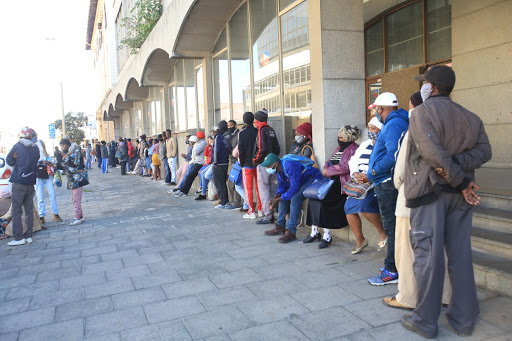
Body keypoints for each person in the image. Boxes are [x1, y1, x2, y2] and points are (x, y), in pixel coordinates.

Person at [400, 66, 492, 338]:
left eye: (424, 82)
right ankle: (464, 320)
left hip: (431, 193)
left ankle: (425, 322)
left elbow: (433, 154)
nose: (422, 87)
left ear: (432, 86)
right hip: (458, 197)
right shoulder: (471, 117)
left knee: (428, 258)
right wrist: (461, 172)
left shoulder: (421, 113)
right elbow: (484, 151)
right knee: (460, 256)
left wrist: (456, 175)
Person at [383, 92, 452, 311]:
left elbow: (401, 169)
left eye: (410, 107)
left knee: (407, 251)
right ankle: (446, 295)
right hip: (440, 198)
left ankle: (408, 297)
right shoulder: (447, 129)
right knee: (440, 249)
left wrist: (397, 184)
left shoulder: (415, 128)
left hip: (411, 199)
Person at [366, 92, 409, 286]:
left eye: (376, 109)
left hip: (387, 182)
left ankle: (392, 270)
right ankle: (393, 267)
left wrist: (375, 169)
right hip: (387, 181)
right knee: (393, 227)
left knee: (391, 227)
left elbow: (394, 155)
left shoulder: (393, 124)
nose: (377, 112)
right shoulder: (397, 121)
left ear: (381, 109)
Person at [304, 125, 359, 249]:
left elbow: (346, 167)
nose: (339, 138)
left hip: (342, 183)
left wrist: (328, 171)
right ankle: (314, 232)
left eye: (341, 137)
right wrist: (326, 169)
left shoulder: (354, 149)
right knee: (313, 197)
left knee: (324, 199)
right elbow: (329, 161)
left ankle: (327, 236)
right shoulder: (339, 148)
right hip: (330, 180)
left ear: (349, 137)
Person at [341, 118, 387, 254]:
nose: (370, 132)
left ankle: (382, 233)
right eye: (369, 128)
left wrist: (369, 176)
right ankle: (360, 240)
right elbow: (353, 161)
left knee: (365, 205)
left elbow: (385, 163)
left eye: (373, 129)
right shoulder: (365, 144)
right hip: (360, 181)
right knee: (348, 208)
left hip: (375, 180)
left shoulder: (385, 144)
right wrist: (355, 174)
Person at [262, 153, 323, 243]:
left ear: (275, 163)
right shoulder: (278, 170)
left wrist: (279, 199)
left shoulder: (288, 165)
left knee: (295, 198)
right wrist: (276, 196)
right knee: (283, 198)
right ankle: (280, 226)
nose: (267, 168)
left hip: (312, 179)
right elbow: (282, 185)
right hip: (300, 182)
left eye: (268, 166)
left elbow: (295, 188)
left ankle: (291, 231)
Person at [6, 127, 40, 246]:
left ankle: (18, 237)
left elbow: (9, 161)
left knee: (16, 211)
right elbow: (36, 160)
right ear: (32, 136)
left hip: (19, 182)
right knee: (29, 210)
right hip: (30, 182)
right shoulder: (35, 148)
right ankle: (29, 236)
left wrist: (15, 158)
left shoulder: (17, 146)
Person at [253, 109, 280, 224]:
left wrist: (255, 159)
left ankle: (268, 216)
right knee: (271, 188)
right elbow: (277, 148)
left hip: (264, 164)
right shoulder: (271, 130)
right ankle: (272, 212)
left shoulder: (261, 130)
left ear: (258, 120)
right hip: (273, 163)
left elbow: (261, 148)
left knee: (264, 190)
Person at [58, 139, 89, 226]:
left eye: (61, 146)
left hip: (77, 178)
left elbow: (75, 163)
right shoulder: (71, 152)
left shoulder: (75, 151)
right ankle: (80, 216)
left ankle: (78, 217)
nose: (61, 148)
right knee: (75, 198)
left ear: (65, 145)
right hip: (74, 178)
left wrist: (65, 156)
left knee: (76, 198)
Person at [238, 112, 262, 219]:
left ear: (244, 120)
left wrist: (242, 163)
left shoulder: (242, 133)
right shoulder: (258, 131)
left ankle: (251, 211)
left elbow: (241, 150)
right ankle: (261, 210)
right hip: (257, 163)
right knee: (259, 187)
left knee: (248, 189)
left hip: (247, 164)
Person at [34, 135, 62, 225]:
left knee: (52, 194)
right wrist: (41, 162)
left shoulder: (41, 142)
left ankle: (55, 213)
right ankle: (41, 216)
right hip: (37, 173)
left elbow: (46, 155)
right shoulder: (29, 146)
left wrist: (49, 162)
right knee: (40, 196)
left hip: (47, 171)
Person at [175, 132, 207, 196]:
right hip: (195, 162)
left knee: (190, 176)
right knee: (188, 176)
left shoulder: (203, 143)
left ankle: (184, 192)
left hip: (199, 163)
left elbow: (195, 152)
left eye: (197, 137)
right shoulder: (198, 143)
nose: (196, 138)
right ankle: (182, 190)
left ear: (200, 137)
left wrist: (194, 147)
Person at [211, 122, 230, 208]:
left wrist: (214, 163)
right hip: (224, 163)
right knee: (222, 183)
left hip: (219, 164)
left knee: (219, 184)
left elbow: (216, 151)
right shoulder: (223, 138)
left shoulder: (218, 138)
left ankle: (223, 202)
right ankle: (224, 201)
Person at [226, 120, 243, 210]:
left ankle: (236, 202)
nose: (229, 127)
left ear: (235, 126)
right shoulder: (230, 135)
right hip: (231, 161)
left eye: (231, 126)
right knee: (230, 181)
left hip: (236, 161)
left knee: (235, 181)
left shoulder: (238, 135)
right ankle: (232, 201)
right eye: (228, 126)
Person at [196, 136, 214, 201]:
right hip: (208, 163)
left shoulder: (214, 146)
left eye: (208, 141)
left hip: (211, 163)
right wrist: (207, 147)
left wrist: (208, 162)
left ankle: (203, 187)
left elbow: (212, 157)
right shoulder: (209, 147)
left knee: (206, 175)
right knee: (202, 173)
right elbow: (206, 155)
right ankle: (203, 193)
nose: (207, 142)